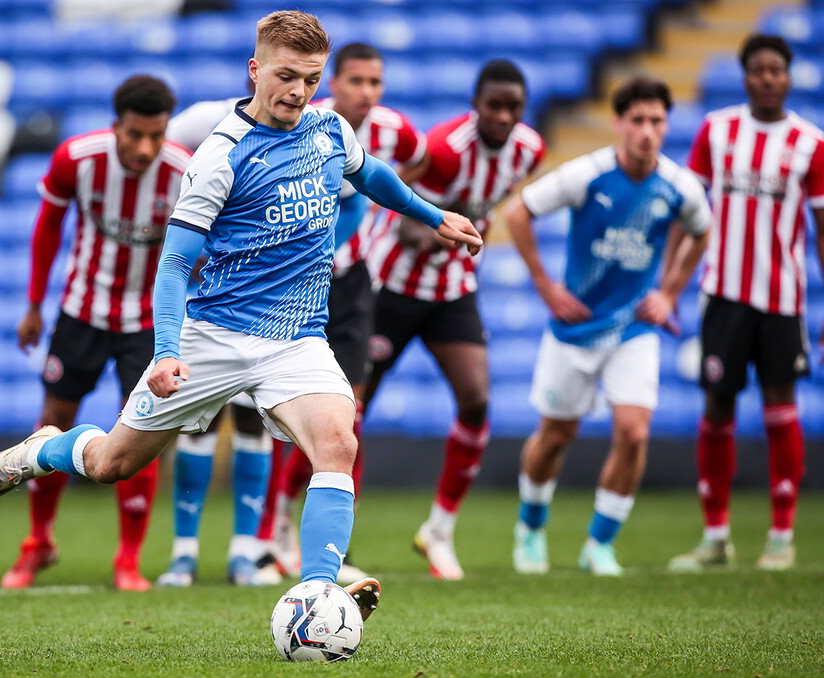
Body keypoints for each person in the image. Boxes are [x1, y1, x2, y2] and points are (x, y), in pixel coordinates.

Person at [0, 10, 483, 622]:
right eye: (287, 75)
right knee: (113, 464)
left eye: (311, 78)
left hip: (297, 340)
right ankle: (43, 452)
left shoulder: (329, 129)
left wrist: (433, 216)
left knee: (338, 441)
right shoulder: (220, 156)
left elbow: (370, 175)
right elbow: (173, 265)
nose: (298, 91)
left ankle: (318, 596)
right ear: (255, 69)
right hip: (214, 335)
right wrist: (164, 351)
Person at [505, 76, 711, 576]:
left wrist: (669, 293)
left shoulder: (680, 186)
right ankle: (530, 528)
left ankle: (600, 544)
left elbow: (701, 230)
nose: (647, 131)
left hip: (633, 329)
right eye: (637, 120)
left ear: (667, 124)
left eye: (656, 121)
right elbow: (518, 212)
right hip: (575, 328)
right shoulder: (588, 175)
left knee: (633, 432)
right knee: (555, 436)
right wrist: (546, 286)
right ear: (619, 123)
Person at [0, 75, 192, 591]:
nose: (144, 148)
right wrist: (35, 305)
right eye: (135, 135)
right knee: (53, 422)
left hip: (146, 324)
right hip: (80, 314)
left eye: (156, 135)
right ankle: (38, 541)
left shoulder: (184, 172)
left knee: (142, 432)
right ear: (116, 127)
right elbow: (47, 229)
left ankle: (127, 560)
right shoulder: (77, 159)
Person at [360, 59, 544, 580]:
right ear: (475, 105)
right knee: (346, 414)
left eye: (514, 107)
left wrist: (466, 228)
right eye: (495, 106)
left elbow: (488, 204)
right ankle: (301, 529)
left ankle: (438, 530)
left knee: (477, 399)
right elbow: (394, 209)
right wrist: (435, 228)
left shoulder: (530, 150)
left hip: (450, 290)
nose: (504, 116)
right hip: (390, 287)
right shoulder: (442, 149)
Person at [258, 41, 429, 584]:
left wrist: (404, 218)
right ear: (338, 82)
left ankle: (321, 545)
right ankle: (270, 535)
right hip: (297, 286)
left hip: (354, 285)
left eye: (376, 83)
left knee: (345, 416)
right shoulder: (312, 125)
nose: (367, 93)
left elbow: (413, 164)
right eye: (356, 81)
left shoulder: (396, 132)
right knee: (285, 415)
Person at [669, 35, 824, 573]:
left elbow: (823, 229)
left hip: (782, 299)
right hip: (725, 295)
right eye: (757, 69)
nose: (766, 78)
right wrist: (669, 285)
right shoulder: (717, 131)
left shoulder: (811, 143)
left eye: (775, 69)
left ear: (788, 76)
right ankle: (716, 537)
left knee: (781, 409)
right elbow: (689, 212)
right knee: (718, 407)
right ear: (745, 76)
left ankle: (781, 536)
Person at [158, 88, 276, 588]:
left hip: (263, 307)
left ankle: (243, 554)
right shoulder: (209, 123)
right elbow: (166, 162)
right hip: (205, 306)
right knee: (196, 424)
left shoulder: (303, 135)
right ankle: (184, 553)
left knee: (254, 424)